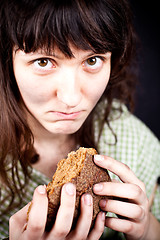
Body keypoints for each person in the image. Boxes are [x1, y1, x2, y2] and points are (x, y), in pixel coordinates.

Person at [0, 0, 160, 239]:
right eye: (44, 62)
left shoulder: (133, 142)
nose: (71, 98)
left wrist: (146, 230)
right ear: (7, 61)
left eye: (92, 60)